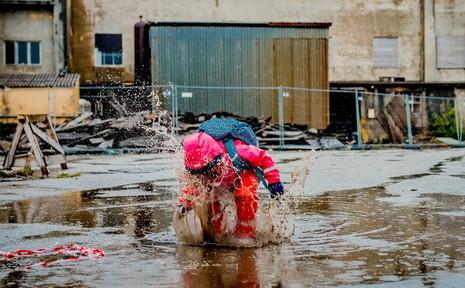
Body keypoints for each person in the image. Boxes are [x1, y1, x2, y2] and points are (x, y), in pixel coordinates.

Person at [177, 127, 284, 244]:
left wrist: (274, 182)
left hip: (244, 174)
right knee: (210, 200)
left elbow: (264, 158)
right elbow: (193, 186)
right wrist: (185, 202)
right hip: (223, 180)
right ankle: (217, 235)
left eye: (208, 170)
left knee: (245, 195)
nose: (205, 175)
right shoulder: (199, 172)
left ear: (218, 159)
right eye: (199, 173)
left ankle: (245, 235)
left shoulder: (238, 151)